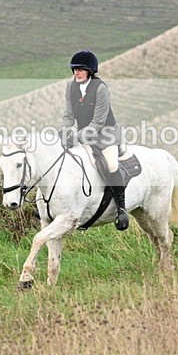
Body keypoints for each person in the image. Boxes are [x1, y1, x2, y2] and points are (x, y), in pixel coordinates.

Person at [60, 50, 129, 230]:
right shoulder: (70, 87)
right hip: (84, 134)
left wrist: (76, 136)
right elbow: (68, 115)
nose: (76, 72)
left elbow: (98, 122)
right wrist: (65, 132)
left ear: (90, 71)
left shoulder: (100, 89)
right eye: (74, 69)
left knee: (112, 164)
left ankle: (121, 209)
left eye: (81, 69)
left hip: (106, 134)